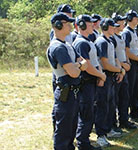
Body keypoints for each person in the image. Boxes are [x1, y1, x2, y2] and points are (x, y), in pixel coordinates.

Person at [46, 12, 88, 150]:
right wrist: (78, 66)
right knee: (64, 131)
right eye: (67, 23)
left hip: (73, 92)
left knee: (71, 128)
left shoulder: (67, 45)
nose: (70, 26)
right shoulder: (58, 47)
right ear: (58, 25)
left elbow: (84, 62)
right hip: (66, 93)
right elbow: (75, 73)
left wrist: (78, 65)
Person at [72, 14, 106, 150]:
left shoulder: (88, 40)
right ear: (82, 25)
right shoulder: (81, 43)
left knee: (89, 113)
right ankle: (83, 144)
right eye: (89, 23)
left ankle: (84, 141)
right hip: (85, 83)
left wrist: (99, 75)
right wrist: (101, 75)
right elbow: (88, 67)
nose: (93, 25)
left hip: (91, 82)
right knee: (86, 114)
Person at [94, 18, 125, 147]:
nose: (115, 28)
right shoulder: (101, 42)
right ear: (106, 27)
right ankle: (101, 135)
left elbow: (115, 58)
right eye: (112, 27)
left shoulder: (110, 40)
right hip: (105, 76)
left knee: (111, 104)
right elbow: (105, 64)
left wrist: (119, 70)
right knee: (102, 106)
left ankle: (108, 129)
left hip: (112, 76)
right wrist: (120, 69)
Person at [110, 13, 137, 130]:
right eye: (121, 21)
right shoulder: (111, 38)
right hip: (117, 70)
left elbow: (124, 51)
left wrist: (127, 62)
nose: (123, 23)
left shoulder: (121, 36)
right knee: (114, 99)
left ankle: (124, 120)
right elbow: (113, 56)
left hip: (123, 70)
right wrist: (121, 67)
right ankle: (112, 123)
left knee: (124, 97)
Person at [122, 10, 138, 123]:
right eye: (135, 18)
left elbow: (137, 48)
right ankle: (130, 114)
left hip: (136, 63)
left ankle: (135, 111)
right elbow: (126, 51)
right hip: (131, 64)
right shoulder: (126, 32)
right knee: (130, 90)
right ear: (130, 19)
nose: (137, 19)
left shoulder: (133, 31)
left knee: (136, 89)